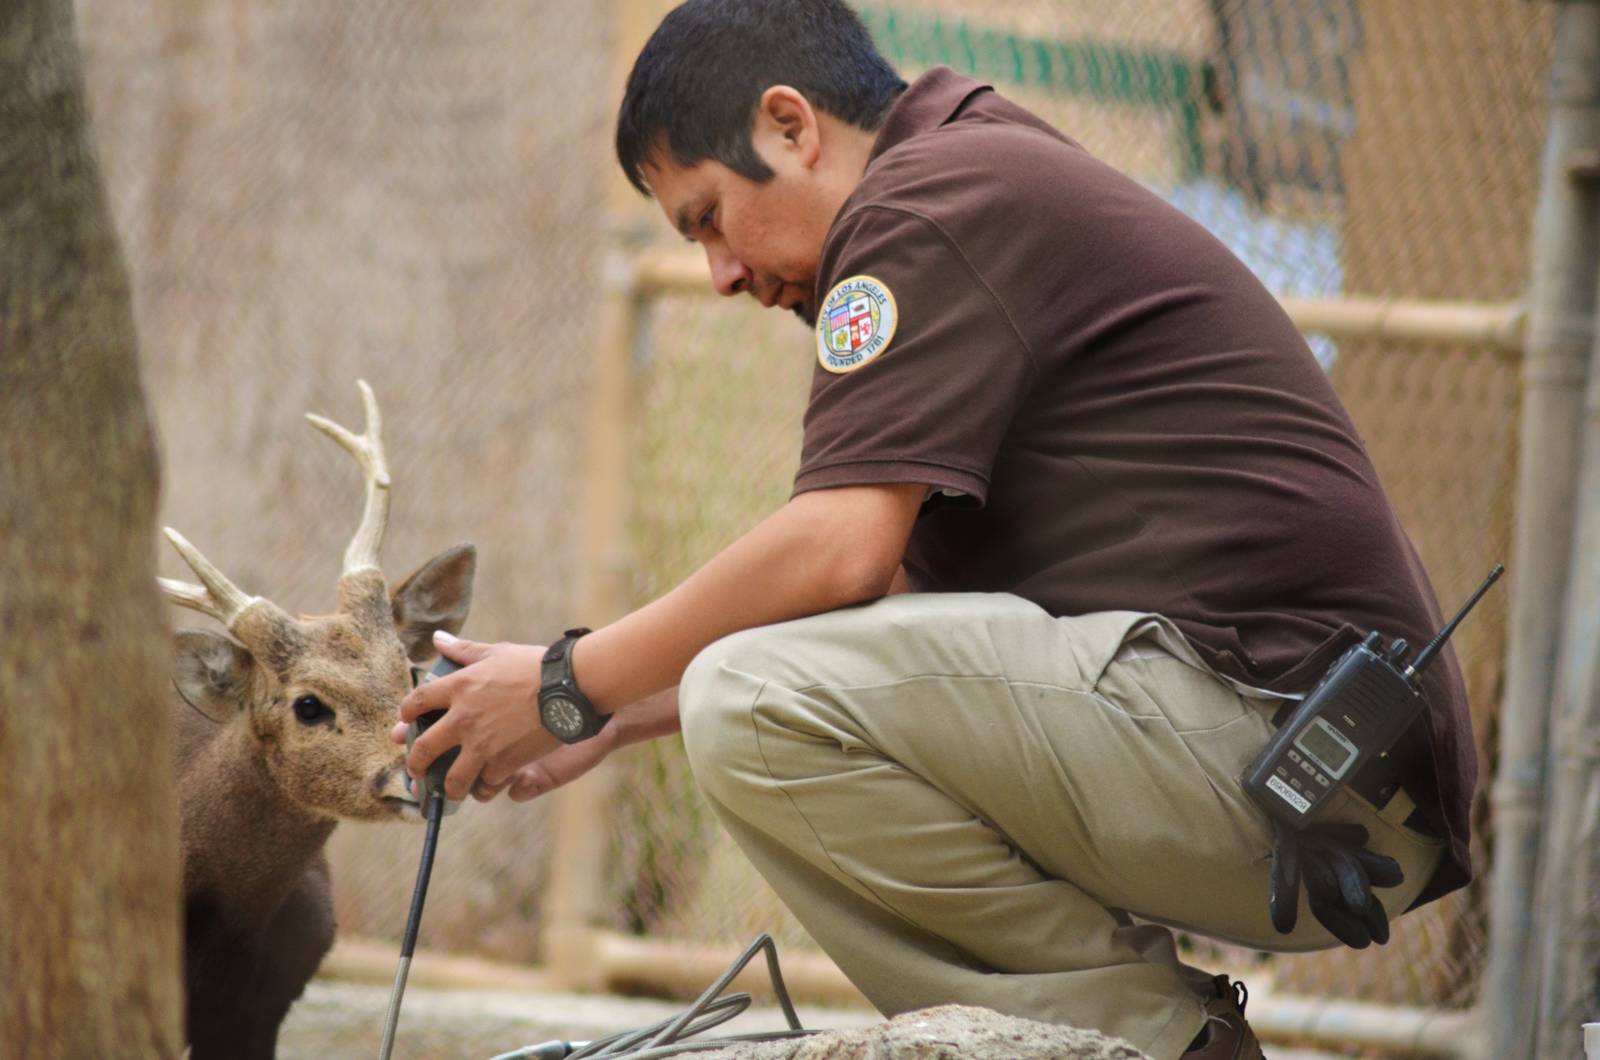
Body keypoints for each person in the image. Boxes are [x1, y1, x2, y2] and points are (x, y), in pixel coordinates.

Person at [397, 3, 1475, 1057]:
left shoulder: (923, 205)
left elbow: (838, 550)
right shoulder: (962, 173)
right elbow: (884, 608)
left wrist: (566, 679)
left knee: (751, 699)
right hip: (1313, 775)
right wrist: (607, 718)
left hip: (1292, 750)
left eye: (708, 216)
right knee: (753, 694)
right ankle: (1151, 1040)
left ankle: (1151, 1045)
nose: (719, 274)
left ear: (790, 125)